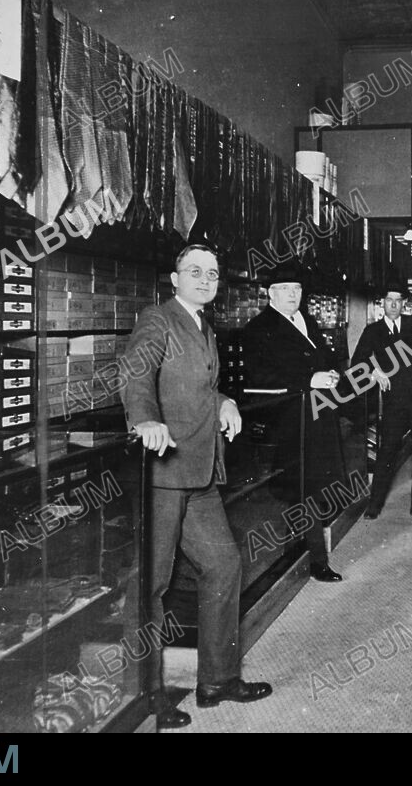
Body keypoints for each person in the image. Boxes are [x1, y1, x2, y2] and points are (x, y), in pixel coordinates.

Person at [121, 243, 271, 727]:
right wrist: (144, 420)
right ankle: (144, 697)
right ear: (174, 278)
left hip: (201, 472)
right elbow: (137, 372)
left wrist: (226, 400)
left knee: (224, 564)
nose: (205, 280)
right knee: (152, 585)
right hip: (166, 473)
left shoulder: (204, 325)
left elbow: (198, 386)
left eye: (212, 273)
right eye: (195, 271)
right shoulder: (158, 318)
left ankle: (217, 680)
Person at [241, 263, 345, 583]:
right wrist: (308, 379)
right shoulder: (258, 328)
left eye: (297, 289)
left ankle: (296, 551)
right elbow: (259, 377)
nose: (292, 295)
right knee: (304, 488)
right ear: (270, 294)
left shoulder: (307, 320)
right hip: (290, 421)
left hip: (319, 415)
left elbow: (323, 357)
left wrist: (330, 372)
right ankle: (315, 560)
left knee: (312, 488)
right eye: (285, 289)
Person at [351, 281, 412, 518]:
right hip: (395, 401)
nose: (394, 305)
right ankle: (375, 505)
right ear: (382, 303)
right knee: (387, 451)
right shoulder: (373, 331)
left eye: (398, 300)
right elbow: (358, 360)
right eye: (389, 300)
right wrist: (375, 371)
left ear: (404, 303)